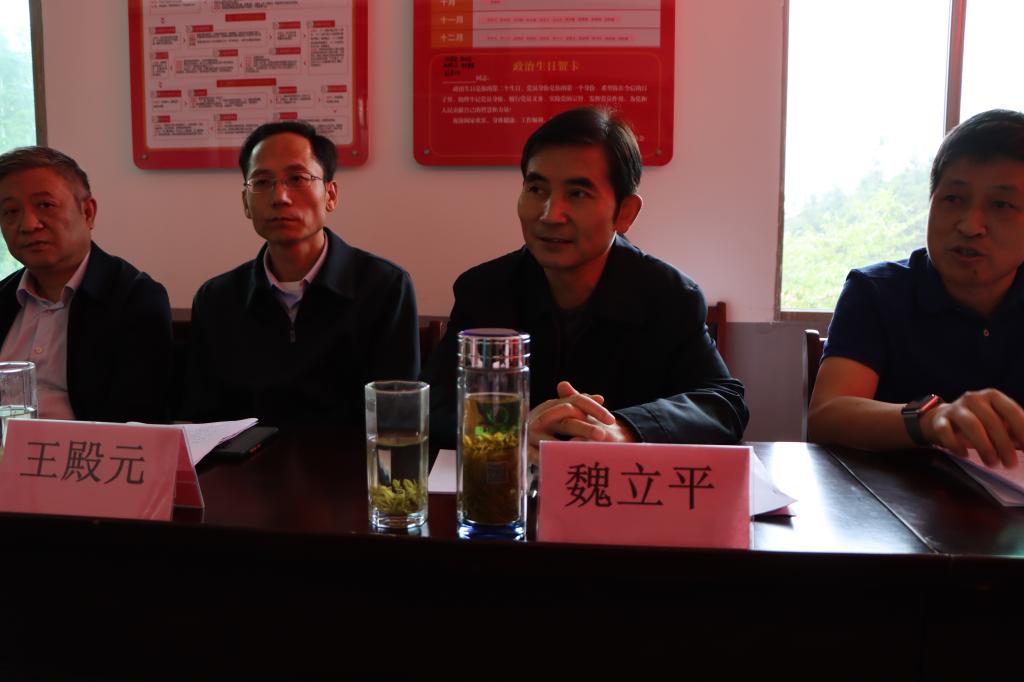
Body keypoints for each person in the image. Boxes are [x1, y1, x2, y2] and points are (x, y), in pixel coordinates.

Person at [423, 107, 749, 455]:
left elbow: (722, 404)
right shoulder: (484, 290)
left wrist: (624, 428)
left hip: (617, 484)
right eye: (536, 188)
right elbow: (431, 403)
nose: (550, 214)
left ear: (625, 212)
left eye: (577, 194)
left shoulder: (667, 295)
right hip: (513, 481)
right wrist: (513, 426)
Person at [808, 109, 1024, 469]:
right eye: (953, 199)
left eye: (1001, 204)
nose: (970, 226)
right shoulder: (876, 291)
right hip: (893, 498)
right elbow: (827, 415)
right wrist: (931, 419)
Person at [184, 121, 419, 426]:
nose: (280, 196)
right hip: (245, 458)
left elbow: (395, 419)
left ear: (330, 195)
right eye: (262, 181)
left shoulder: (385, 287)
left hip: (348, 458)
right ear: (245, 203)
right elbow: (203, 420)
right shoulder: (216, 299)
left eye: (297, 178)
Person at [0, 146, 172, 422]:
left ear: (88, 212)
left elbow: (138, 421)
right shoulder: (3, 297)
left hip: (83, 449)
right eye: (10, 211)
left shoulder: (135, 298)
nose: (28, 224)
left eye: (45, 205)